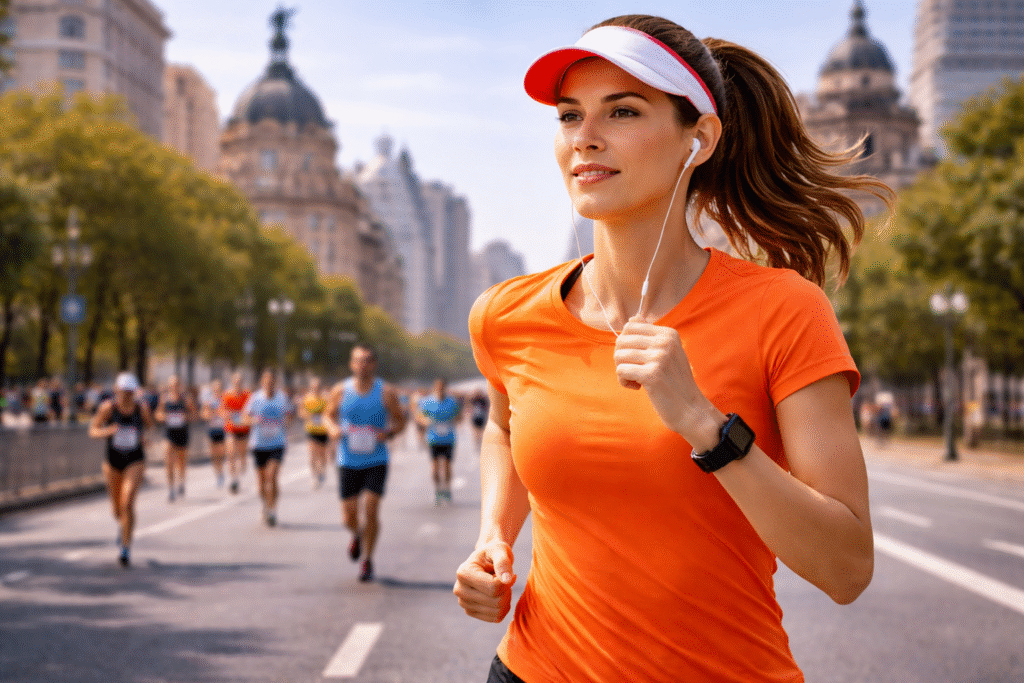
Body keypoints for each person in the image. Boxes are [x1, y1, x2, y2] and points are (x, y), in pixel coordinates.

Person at [452, 15, 887, 682]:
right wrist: (493, 536)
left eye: (622, 110)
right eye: (570, 116)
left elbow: (847, 567)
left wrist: (705, 423)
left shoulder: (784, 310)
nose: (585, 138)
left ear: (699, 138)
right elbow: (505, 429)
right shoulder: (506, 314)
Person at [324, 344, 406, 582]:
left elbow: (400, 422)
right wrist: (333, 429)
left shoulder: (385, 392)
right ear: (351, 364)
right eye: (358, 360)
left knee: (371, 508)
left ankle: (367, 559)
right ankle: (357, 534)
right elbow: (328, 415)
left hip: (376, 458)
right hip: (347, 458)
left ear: (374, 364)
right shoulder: (341, 390)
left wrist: (388, 433)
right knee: (348, 517)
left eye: (367, 360)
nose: (362, 364)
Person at [88, 372, 155, 566]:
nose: (126, 396)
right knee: (117, 510)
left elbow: (150, 427)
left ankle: (125, 547)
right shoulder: (108, 408)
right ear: (116, 390)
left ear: (134, 392)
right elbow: (92, 430)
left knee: (127, 503)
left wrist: (146, 438)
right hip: (112, 461)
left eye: (129, 392)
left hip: (135, 459)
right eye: (123, 392)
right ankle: (123, 527)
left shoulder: (141, 409)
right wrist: (107, 431)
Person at [243, 369, 292, 527]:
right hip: (258, 444)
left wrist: (286, 423)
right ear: (262, 382)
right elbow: (245, 416)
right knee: (261, 483)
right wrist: (253, 420)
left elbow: (290, 414)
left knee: (272, 477)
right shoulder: (255, 398)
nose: (269, 384)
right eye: (266, 381)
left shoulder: (282, 397)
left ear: (275, 383)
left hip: (277, 443)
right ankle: (265, 505)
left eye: (272, 381)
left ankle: (273, 510)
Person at [416, 378, 462, 504]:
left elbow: (459, 416)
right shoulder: (427, 402)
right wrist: (425, 421)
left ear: (445, 387)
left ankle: (446, 489)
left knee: (447, 466)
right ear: (435, 387)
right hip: (433, 438)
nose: (440, 389)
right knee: (435, 467)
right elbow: (419, 415)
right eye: (438, 386)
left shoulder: (452, 402)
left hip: (448, 438)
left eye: (442, 386)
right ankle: (437, 490)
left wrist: (454, 420)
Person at [155, 375, 196, 502]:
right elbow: (157, 414)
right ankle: (171, 489)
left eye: (176, 384)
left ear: (180, 385)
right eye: (172, 385)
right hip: (169, 435)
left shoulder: (186, 400)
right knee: (168, 462)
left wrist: (185, 417)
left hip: (182, 434)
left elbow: (194, 415)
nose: (174, 387)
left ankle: (181, 482)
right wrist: (164, 417)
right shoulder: (164, 399)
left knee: (181, 463)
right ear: (169, 386)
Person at [298, 376, 331, 489]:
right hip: (311, 430)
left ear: (320, 387)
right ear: (311, 387)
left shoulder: (326, 399)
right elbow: (301, 412)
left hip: (323, 431)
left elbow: (330, 412)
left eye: (317, 387)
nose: (316, 388)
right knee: (312, 455)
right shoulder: (306, 398)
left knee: (322, 455)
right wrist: (308, 415)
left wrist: (323, 416)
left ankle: (321, 472)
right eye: (313, 387)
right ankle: (315, 477)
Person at [222, 372, 251, 494]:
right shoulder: (227, 395)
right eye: (235, 381)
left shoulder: (248, 395)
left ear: (242, 383)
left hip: (244, 429)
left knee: (242, 455)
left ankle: (243, 463)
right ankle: (234, 479)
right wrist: (227, 414)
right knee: (231, 454)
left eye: (240, 382)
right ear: (232, 382)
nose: (237, 383)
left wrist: (246, 416)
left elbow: (252, 410)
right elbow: (222, 410)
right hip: (231, 429)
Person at [202, 379, 228, 488]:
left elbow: (227, 414)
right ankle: (218, 474)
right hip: (212, 429)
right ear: (213, 389)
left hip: (223, 429)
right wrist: (211, 414)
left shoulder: (225, 400)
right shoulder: (209, 401)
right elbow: (204, 415)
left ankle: (221, 471)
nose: (217, 390)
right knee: (213, 455)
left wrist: (223, 414)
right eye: (215, 388)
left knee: (221, 453)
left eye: (219, 388)